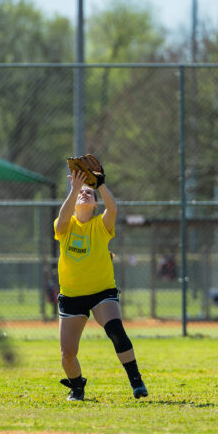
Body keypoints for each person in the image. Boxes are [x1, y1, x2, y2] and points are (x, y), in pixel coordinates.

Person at [53, 168, 147, 401]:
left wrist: (101, 185)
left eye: (90, 193)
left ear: (96, 204)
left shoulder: (100, 226)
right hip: (72, 295)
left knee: (115, 330)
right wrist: (75, 189)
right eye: (81, 193)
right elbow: (61, 222)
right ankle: (77, 386)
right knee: (67, 354)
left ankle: (136, 381)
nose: (85, 194)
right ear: (74, 201)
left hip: (101, 292)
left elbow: (113, 209)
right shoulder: (66, 226)